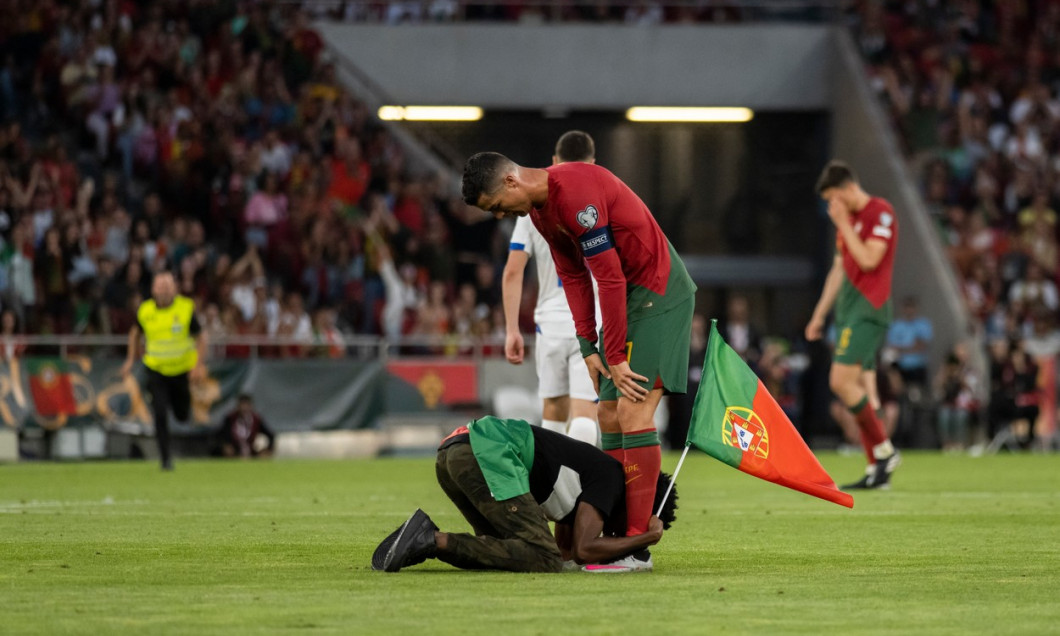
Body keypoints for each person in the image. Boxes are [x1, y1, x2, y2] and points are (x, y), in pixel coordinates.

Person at [462, 151, 696, 565]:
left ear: (511, 182)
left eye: (497, 206)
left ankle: (636, 546)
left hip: (658, 292)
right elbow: (573, 276)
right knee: (607, 415)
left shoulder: (576, 196)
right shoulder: (540, 213)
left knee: (633, 412)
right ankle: (612, 530)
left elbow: (608, 275)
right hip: (627, 299)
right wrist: (589, 347)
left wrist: (616, 354)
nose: (500, 216)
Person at [376, 416, 677, 574]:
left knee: (505, 553)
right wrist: (645, 539)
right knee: (544, 560)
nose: (619, 531)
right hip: (487, 454)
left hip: (454, 452)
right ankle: (431, 540)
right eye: (632, 522)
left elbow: (569, 551)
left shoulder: (591, 483)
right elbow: (583, 551)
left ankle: (421, 541)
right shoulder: (612, 477)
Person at [805, 161, 901, 490]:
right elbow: (838, 270)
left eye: (834, 199)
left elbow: (870, 260)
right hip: (848, 313)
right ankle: (877, 469)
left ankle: (884, 452)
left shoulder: (880, 212)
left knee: (840, 381)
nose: (832, 207)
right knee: (859, 390)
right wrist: (819, 315)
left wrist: (844, 224)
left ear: (847, 190)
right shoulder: (846, 224)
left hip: (869, 309)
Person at [502, 130, 599, 445]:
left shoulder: (532, 207)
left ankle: (555, 492)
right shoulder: (603, 202)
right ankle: (584, 488)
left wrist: (511, 329)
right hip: (593, 322)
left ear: (554, 161)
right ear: (593, 163)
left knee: (553, 413)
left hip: (551, 324)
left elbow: (513, 272)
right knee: (586, 412)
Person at [121, 271, 207, 470]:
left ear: (174, 289)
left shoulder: (185, 308)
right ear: (153, 290)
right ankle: (165, 459)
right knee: (159, 413)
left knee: (182, 414)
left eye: (168, 286)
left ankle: (182, 413)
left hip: (180, 371)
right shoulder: (145, 310)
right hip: (156, 369)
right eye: (160, 287)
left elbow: (201, 337)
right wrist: (130, 359)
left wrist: (198, 365)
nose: (164, 291)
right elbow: (135, 332)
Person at [220, 393, 275, 458]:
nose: (244, 408)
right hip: (234, 452)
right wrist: (226, 445)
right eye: (242, 405)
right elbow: (222, 434)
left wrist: (267, 449)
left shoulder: (256, 420)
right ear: (238, 406)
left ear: (251, 406)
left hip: (251, 451)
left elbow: (271, 435)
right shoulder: (230, 418)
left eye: (247, 405)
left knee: (264, 457)